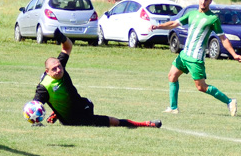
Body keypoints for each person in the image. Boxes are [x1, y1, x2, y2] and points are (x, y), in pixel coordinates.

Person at [33, 29, 161, 128]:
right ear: (47, 71)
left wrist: (62, 37)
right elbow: (34, 107)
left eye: (59, 66)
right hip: (73, 120)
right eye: (54, 69)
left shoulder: (60, 65)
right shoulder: (44, 86)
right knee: (113, 121)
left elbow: (67, 47)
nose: (59, 70)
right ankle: (145, 124)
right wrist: (36, 122)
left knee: (88, 103)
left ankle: (57, 112)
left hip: (82, 105)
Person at [150, 0, 241, 116]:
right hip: (184, 54)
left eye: (206, 0)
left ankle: (230, 101)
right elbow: (174, 23)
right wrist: (158, 26)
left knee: (201, 87)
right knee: (172, 76)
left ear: (210, 1)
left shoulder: (213, 18)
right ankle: (173, 107)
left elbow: (223, 38)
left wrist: (234, 54)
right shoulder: (191, 14)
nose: (203, 2)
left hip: (195, 58)